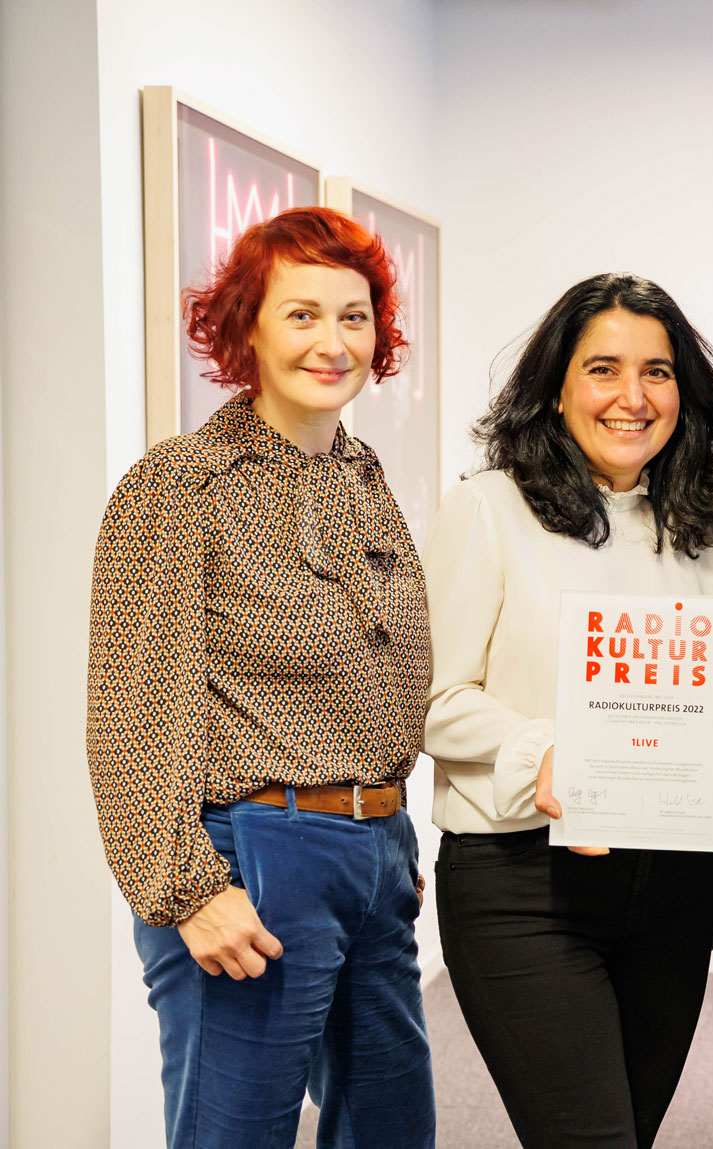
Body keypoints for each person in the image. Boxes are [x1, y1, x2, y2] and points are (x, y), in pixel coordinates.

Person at [87, 206, 435, 1148]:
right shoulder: (178, 484)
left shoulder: (364, 476)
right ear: (246, 327)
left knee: (394, 1129)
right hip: (249, 856)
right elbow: (133, 710)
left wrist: (392, 849)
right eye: (303, 315)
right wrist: (187, 887)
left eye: (355, 316)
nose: (334, 342)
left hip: (373, 851)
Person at [422, 272, 713, 1148]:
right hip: (522, 885)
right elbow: (431, 698)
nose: (632, 396)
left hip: (673, 892)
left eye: (657, 371)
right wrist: (545, 750)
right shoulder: (488, 510)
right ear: (558, 386)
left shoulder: (709, 529)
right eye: (604, 368)